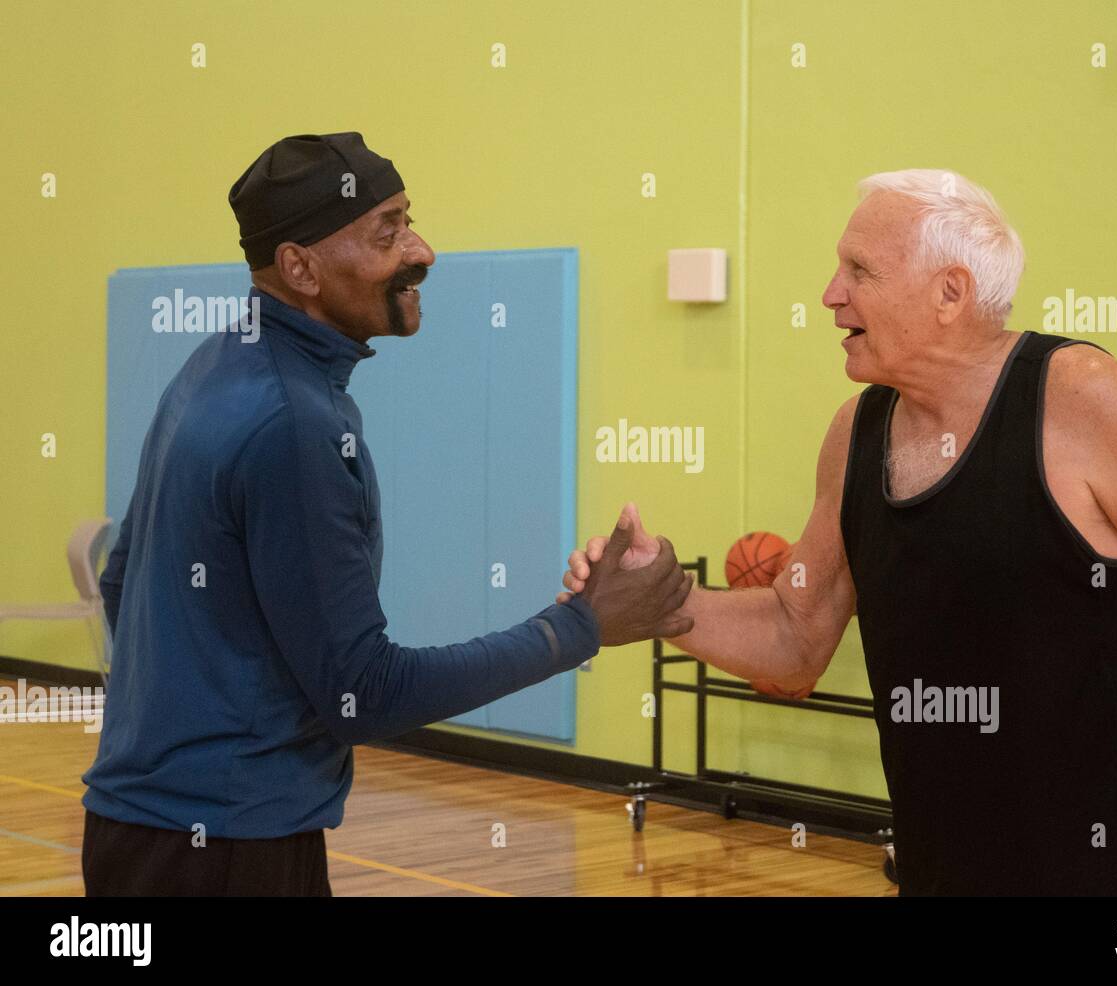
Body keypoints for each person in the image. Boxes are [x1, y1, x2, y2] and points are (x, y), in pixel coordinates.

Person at [560, 169, 1117, 896]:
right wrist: (662, 603)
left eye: (860, 270)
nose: (830, 293)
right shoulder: (857, 434)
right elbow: (794, 635)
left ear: (950, 292)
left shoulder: (1084, 399)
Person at [82, 132, 694, 897]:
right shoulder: (292, 423)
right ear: (300, 268)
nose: (422, 250)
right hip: (224, 853)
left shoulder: (217, 365)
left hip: (146, 833)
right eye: (388, 231)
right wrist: (579, 627)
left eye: (410, 219)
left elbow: (120, 582)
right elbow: (363, 694)